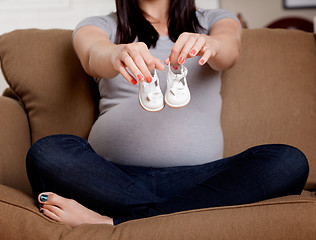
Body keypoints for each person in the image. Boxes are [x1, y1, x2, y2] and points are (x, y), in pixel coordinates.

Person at [26, 0, 309, 228]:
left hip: (201, 182)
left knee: (288, 161)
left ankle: (114, 221)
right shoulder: (99, 26)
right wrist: (116, 55)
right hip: (112, 180)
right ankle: (179, 213)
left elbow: (230, 50)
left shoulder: (212, 20)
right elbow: (93, 55)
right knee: (47, 152)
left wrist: (212, 45)